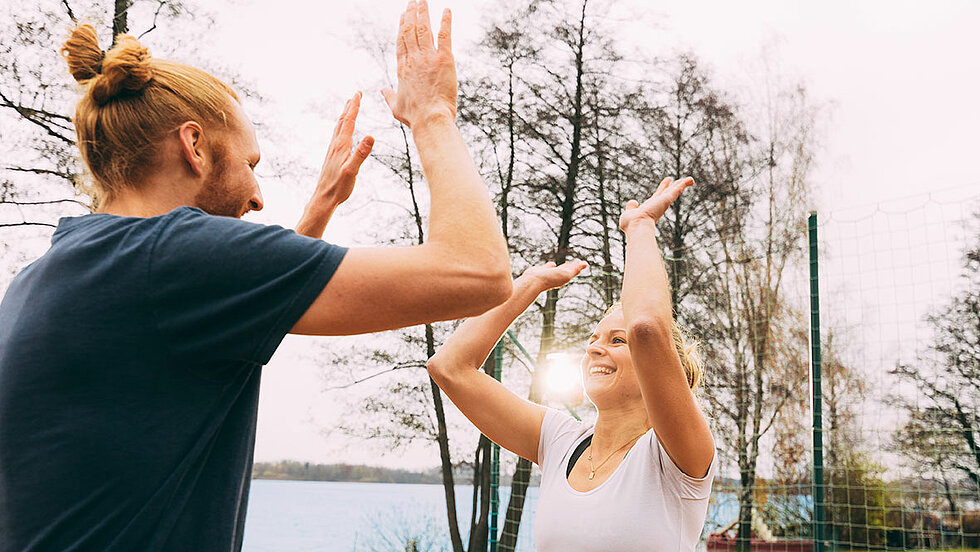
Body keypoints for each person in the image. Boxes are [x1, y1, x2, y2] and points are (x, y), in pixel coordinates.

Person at [0, 2, 511, 551]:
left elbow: (218, 318)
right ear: (194, 146)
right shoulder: (177, 257)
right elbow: (478, 271)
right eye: (251, 164)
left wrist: (317, 212)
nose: (258, 195)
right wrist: (433, 113)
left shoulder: (48, 275)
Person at [428, 177, 717, 552]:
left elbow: (647, 327)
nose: (595, 349)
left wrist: (641, 226)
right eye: (593, 340)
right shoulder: (561, 441)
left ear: (661, 365)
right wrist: (527, 285)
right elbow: (449, 368)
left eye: (617, 340)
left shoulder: (676, 454)